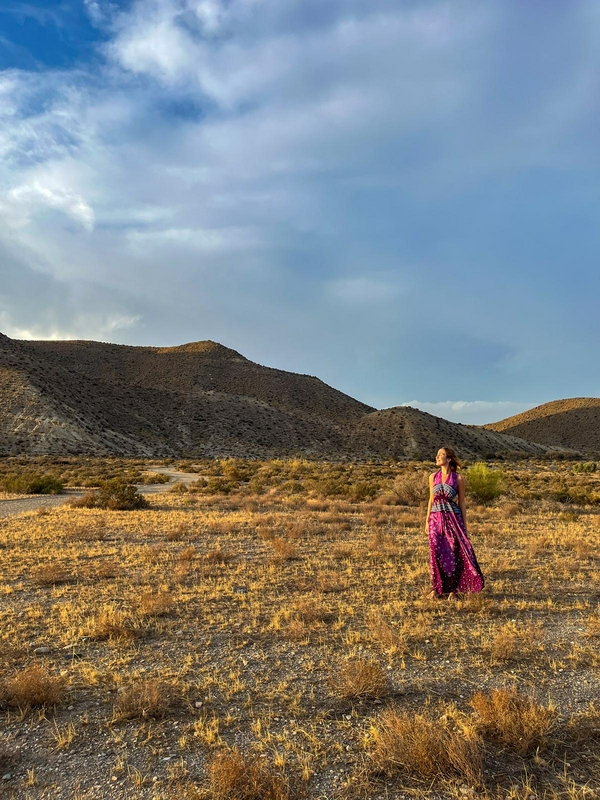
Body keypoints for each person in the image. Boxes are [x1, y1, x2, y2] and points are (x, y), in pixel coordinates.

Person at [425, 447, 484, 600]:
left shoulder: (458, 479)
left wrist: (464, 526)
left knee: (453, 552)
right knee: (435, 553)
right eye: (437, 454)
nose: (437, 456)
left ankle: (454, 589)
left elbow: (462, 502)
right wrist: (427, 521)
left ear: (449, 458)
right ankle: (437, 588)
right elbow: (431, 500)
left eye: (441, 454)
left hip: (453, 519)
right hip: (435, 519)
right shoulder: (433, 477)